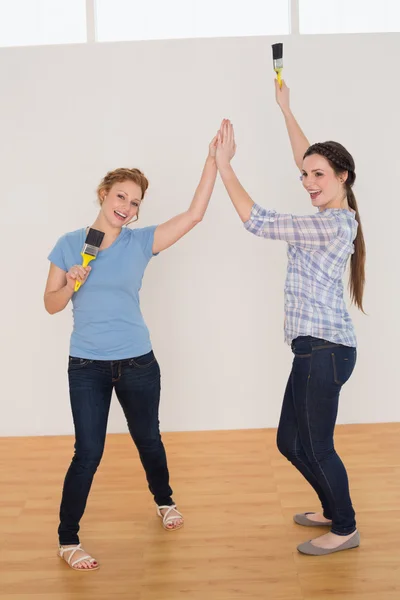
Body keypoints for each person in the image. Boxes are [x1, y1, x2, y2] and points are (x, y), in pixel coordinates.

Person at [44, 129, 220, 570]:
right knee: (88, 452)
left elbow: (195, 215)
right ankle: (68, 539)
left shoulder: (141, 242)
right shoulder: (71, 244)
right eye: (121, 197)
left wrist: (214, 161)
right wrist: (69, 283)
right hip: (86, 365)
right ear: (104, 195)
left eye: (136, 202)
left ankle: (164, 502)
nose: (128, 207)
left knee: (148, 439)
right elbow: (50, 305)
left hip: (138, 361)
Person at [215, 84, 366, 555]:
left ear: (343, 177)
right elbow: (312, 157)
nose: (308, 182)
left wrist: (225, 166)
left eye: (318, 176)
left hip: (324, 351)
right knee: (290, 442)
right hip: (315, 348)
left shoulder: (329, 225)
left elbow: (257, 221)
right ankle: (330, 504)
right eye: (305, 176)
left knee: (317, 446)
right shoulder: (334, 210)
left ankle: (345, 527)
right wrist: (285, 109)